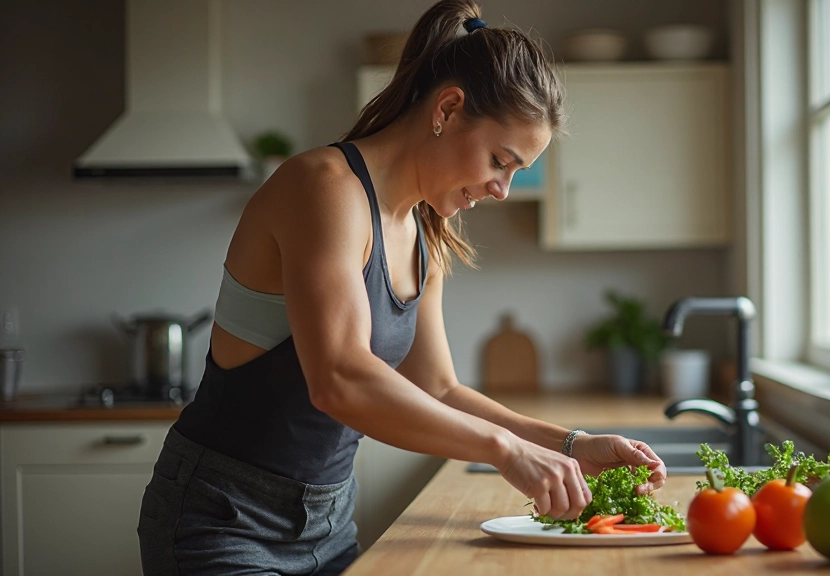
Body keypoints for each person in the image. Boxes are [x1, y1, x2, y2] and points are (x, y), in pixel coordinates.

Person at [137, 1, 667, 574]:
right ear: (448, 108)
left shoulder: (424, 232)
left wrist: (571, 445)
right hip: (223, 521)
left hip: (329, 524)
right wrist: (506, 450)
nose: (502, 189)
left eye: (516, 172)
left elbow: (438, 389)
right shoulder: (323, 188)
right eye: (499, 160)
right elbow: (339, 379)